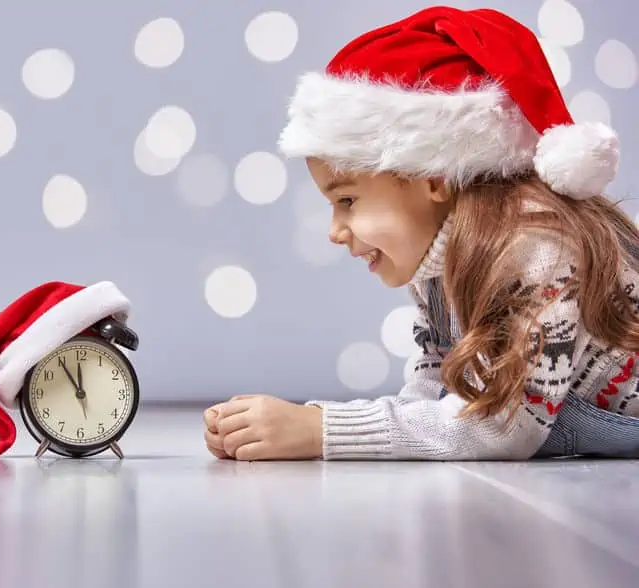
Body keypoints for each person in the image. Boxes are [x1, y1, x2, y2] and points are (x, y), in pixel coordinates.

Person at [203, 6, 639, 461]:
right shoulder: (439, 256)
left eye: (347, 201)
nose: (334, 231)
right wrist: (295, 425)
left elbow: (505, 426)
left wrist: (321, 430)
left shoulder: (533, 246)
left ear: (432, 178)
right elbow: (436, 388)